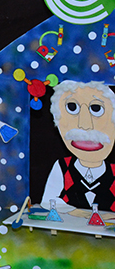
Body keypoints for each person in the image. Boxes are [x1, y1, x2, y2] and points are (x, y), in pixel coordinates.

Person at [41, 80, 115, 211]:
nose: (85, 125)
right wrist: (74, 211)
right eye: (72, 107)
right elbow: (47, 202)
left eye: (96, 109)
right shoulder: (62, 167)